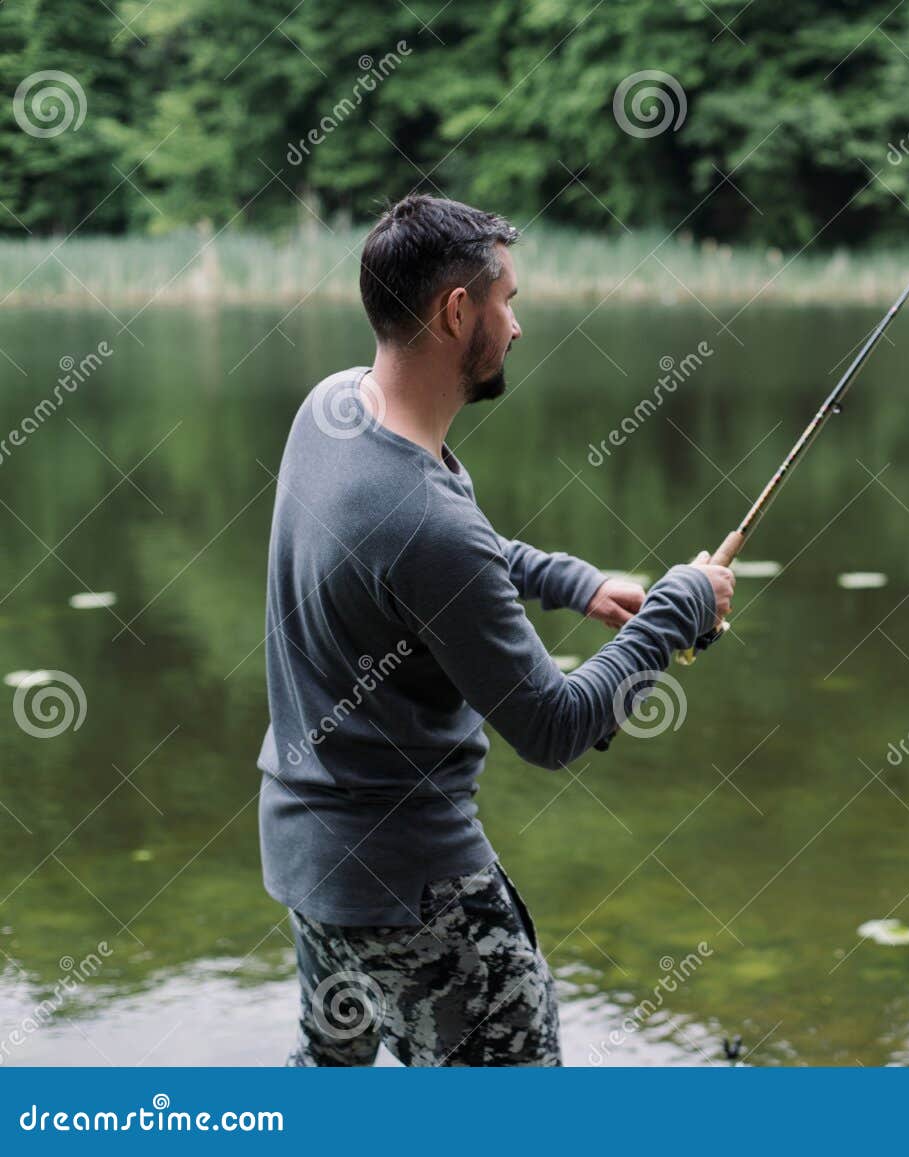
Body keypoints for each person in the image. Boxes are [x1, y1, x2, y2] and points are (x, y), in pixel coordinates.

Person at [255, 193, 734, 1066]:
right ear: (456, 310)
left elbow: (428, 559)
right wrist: (679, 607)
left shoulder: (335, 410)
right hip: (412, 884)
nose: (517, 324)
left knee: (329, 1080)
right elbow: (553, 726)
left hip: (309, 855)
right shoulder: (425, 523)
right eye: (508, 299)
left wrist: (573, 582)